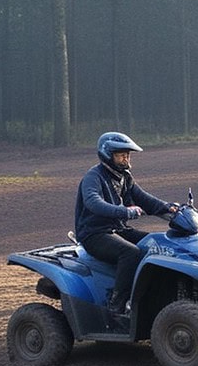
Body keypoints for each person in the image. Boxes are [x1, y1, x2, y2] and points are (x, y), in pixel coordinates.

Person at [75, 132, 176, 315]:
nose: (126, 158)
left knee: (157, 243)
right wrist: (124, 211)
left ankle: (153, 296)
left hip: (118, 229)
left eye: (127, 155)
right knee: (130, 253)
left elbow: (144, 198)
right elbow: (93, 202)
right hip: (94, 234)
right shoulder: (94, 177)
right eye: (122, 155)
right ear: (108, 155)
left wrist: (169, 208)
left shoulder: (125, 177)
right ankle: (117, 303)